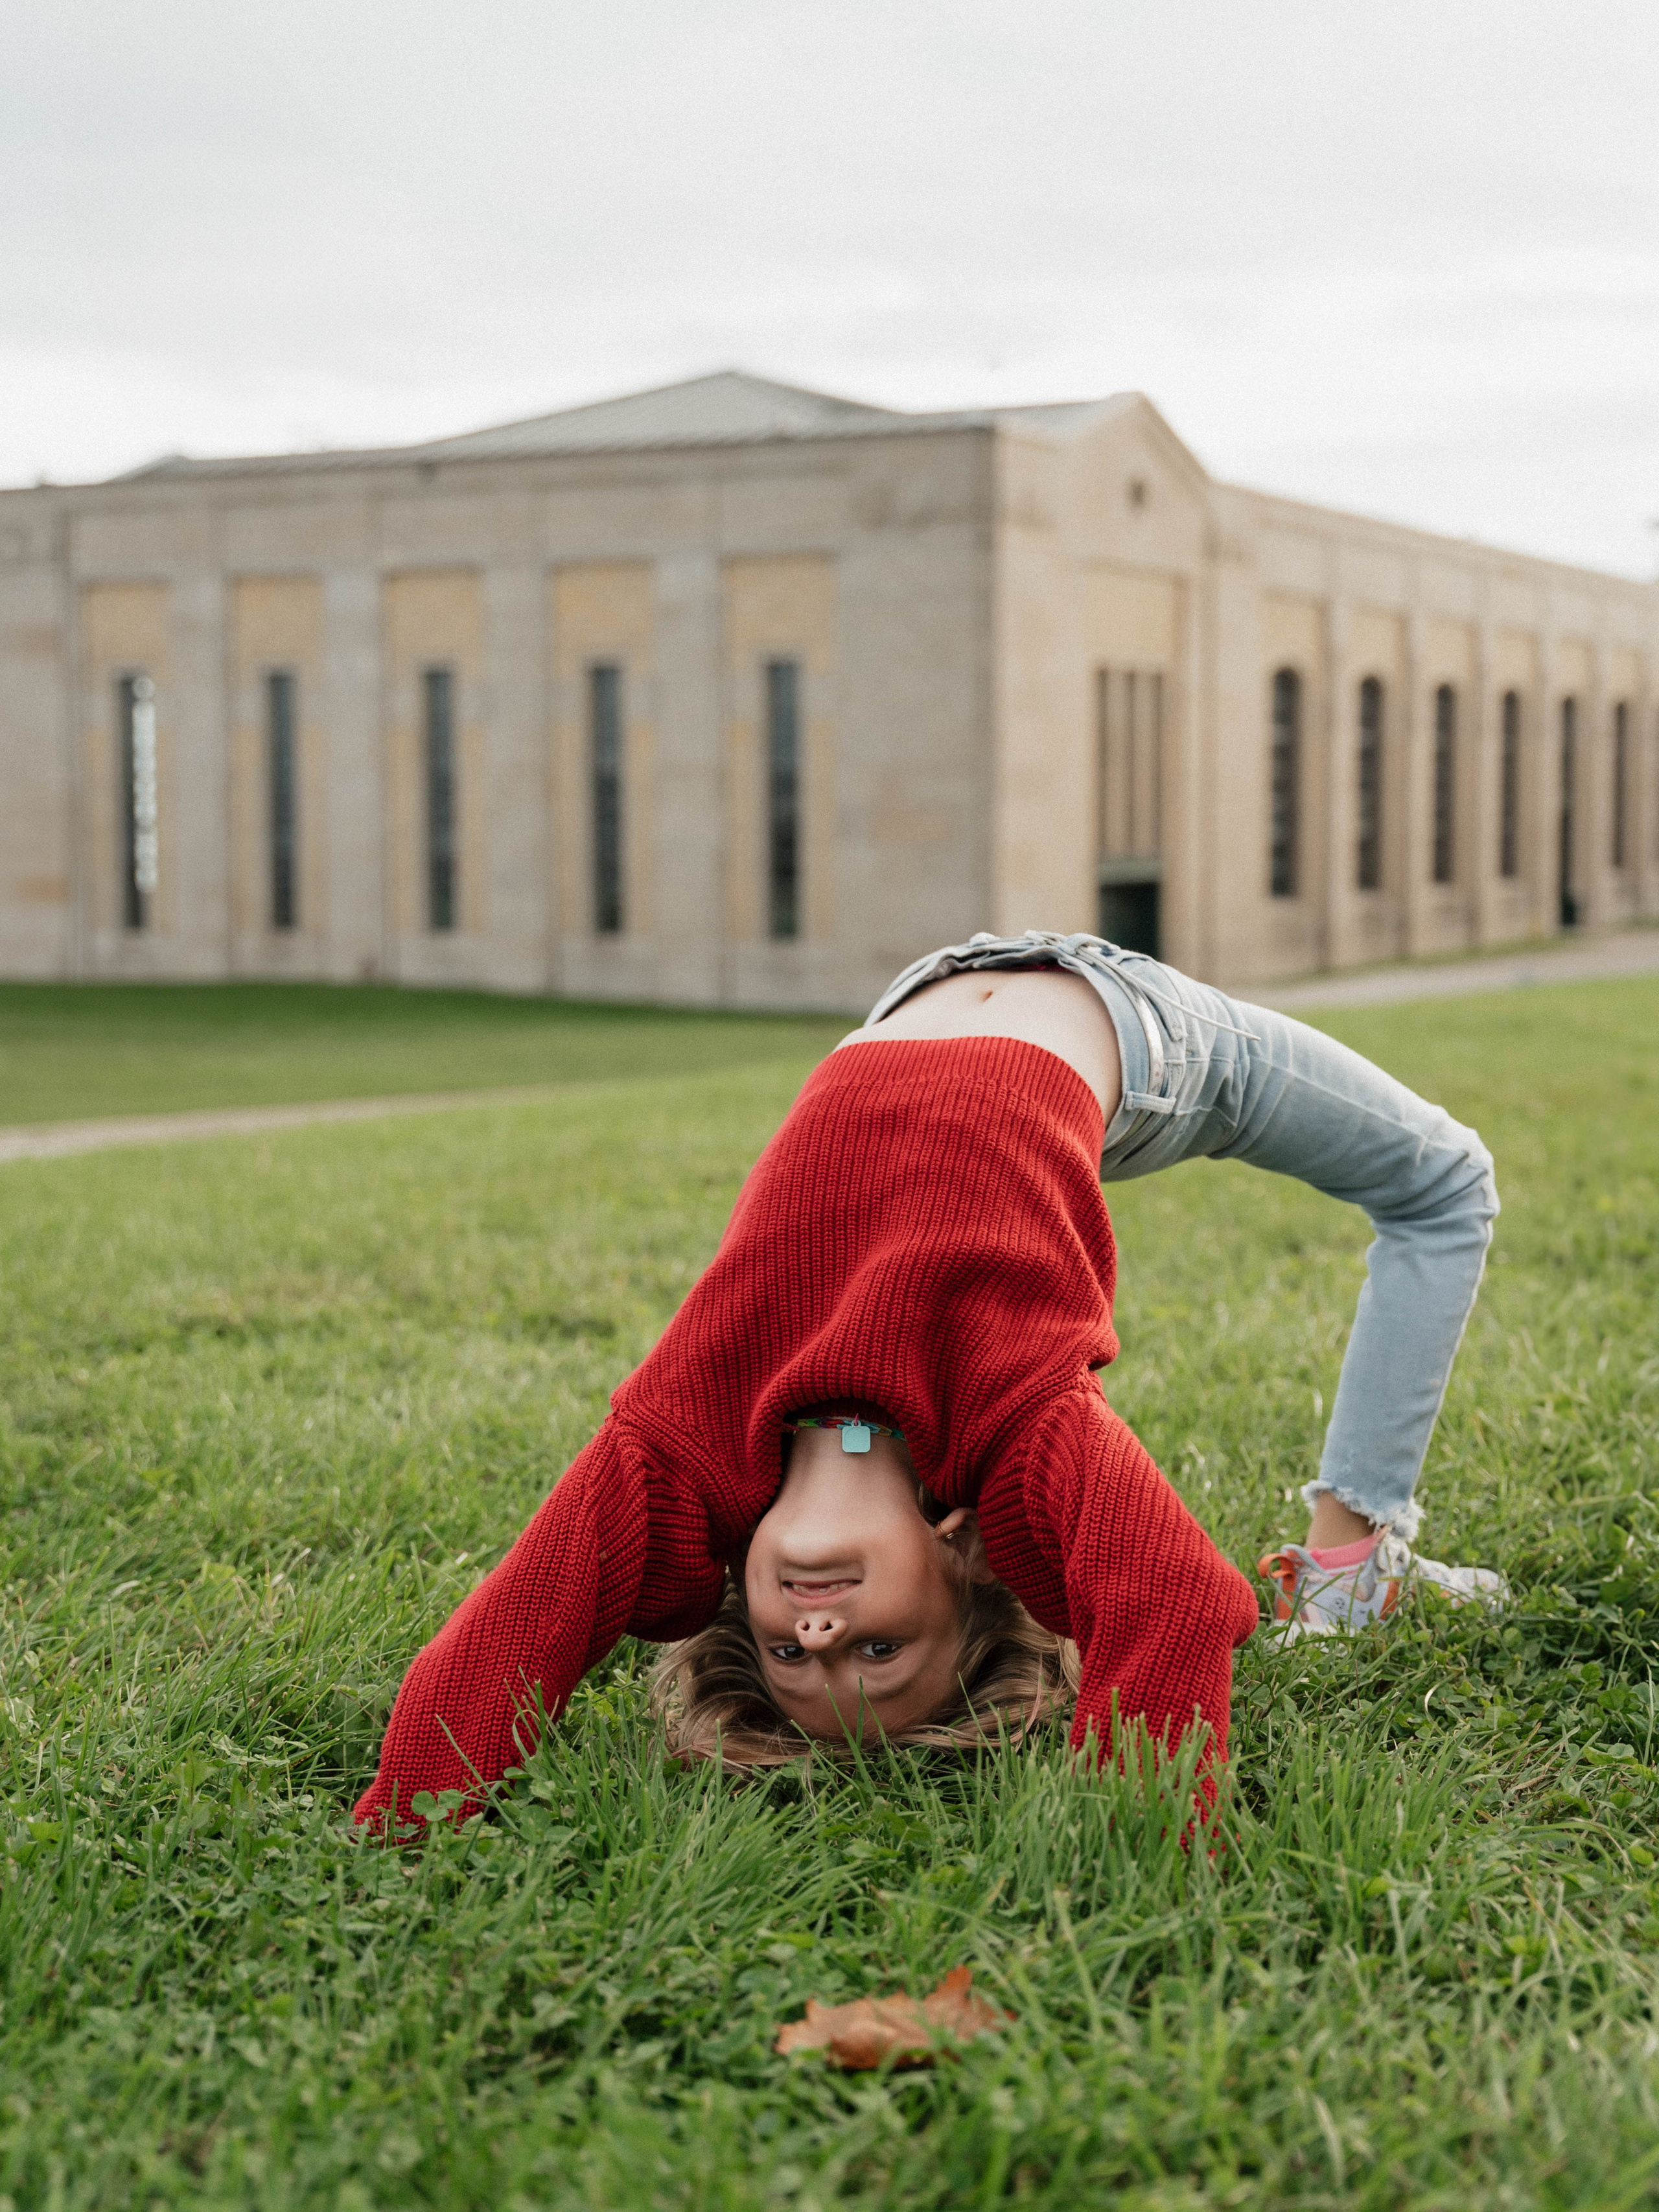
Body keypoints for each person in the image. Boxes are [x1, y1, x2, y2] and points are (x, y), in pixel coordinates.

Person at [353, 931, 1502, 1832]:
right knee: (1449, 1183)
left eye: (790, 1653)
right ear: (959, 1555)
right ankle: (1351, 1566)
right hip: (1141, 1033)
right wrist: (1144, 1846)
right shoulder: (1018, 1425)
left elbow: (515, 1630)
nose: (818, 1624)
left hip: (918, 996)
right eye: (879, 1650)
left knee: (1441, 1181)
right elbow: (1178, 1604)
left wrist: (396, 1830)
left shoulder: (678, 1445)